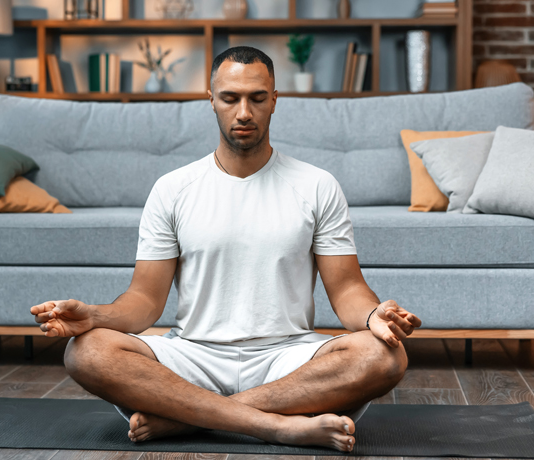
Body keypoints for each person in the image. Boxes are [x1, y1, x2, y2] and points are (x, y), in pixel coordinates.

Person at [30, 46, 422, 453]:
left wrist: (375, 315)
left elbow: (346, 291)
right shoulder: (173, 188)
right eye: (230, 98)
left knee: (386, 357)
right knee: (86, 352)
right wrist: (93, 315)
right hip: (192, 354)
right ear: (211, 99)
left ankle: (184, 419)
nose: (244, 113)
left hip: (287, 358)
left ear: (274, 101)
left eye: (256, 98)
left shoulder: (316, 185)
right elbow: (144, 301)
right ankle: (278, 427)